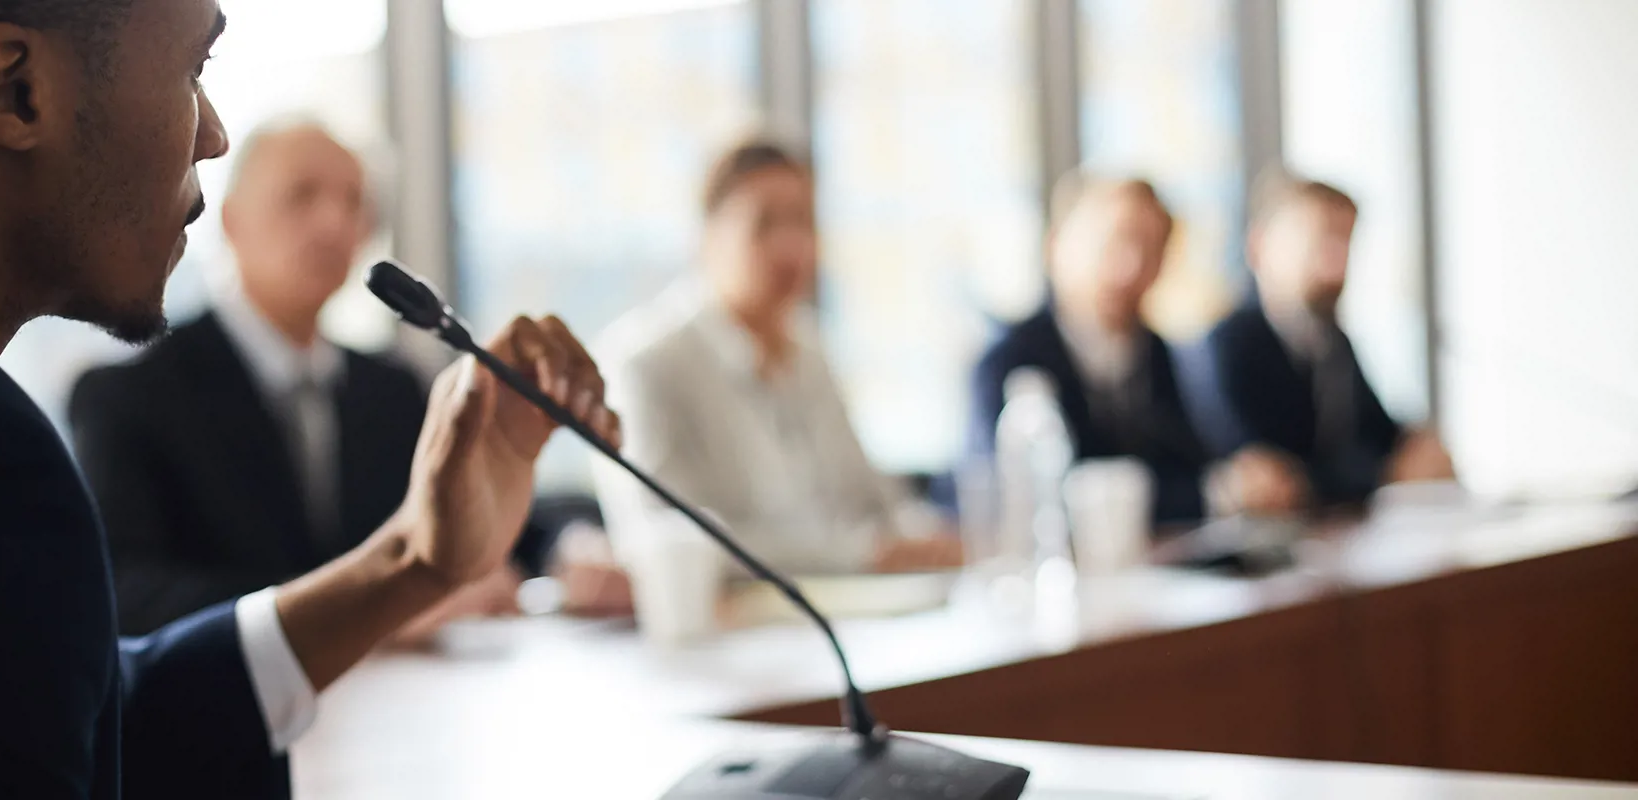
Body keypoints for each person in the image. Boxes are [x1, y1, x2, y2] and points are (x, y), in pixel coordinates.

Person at [0, 3, 618, 798]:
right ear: (14, 88)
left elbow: (65, 727)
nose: (213, 134)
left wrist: (415, 560)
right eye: (196, 69)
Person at [69, 120, 629, 637]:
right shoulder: (130, 398)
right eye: (302, 196)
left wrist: (570, 547)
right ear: (232, 222)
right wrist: (378, 607)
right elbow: (124, 594)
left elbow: (497, 521)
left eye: (354, 202)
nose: (336, 222)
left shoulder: (390, 389)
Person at [594, 140, 962, 577]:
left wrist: (924, 538)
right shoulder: (645, 363)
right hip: (728, 630)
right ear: (708, 236)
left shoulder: (810, 349)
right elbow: (669, 541)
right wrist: (861, 554)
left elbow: (876, 501)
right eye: (764, 224)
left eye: (803, 222)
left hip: (849, 613)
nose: (791, 247)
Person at [969, 174, 1306, 526]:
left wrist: (1240, 478)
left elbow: (1189, 460)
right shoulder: (1007, 361)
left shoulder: (1154, 351)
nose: (1129, 267)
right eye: (1112, 243)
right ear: (1055, 246)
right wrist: (1215, 492)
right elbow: (1035, 499)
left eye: (1151, 248)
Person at [1206, 170, 1455, 509]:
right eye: (1320, 243)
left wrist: (1417, 447)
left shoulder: (1331, 341)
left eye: (1346, 244)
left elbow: (1378, 434)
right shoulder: (1226, 346)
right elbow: (1277, 477)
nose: (1336, 267)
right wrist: (1387, 473)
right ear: (1260, 246)